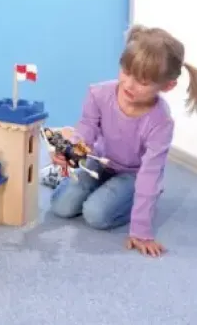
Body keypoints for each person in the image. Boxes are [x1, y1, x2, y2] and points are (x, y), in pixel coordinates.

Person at [49, 25, 197, 257]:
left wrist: (141, 231)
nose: (129, 84)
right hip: (100, 160)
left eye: (143, 82)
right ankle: (62, 177)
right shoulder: (98, 94)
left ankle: (139, 197)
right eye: (126, 72)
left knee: (95, 214)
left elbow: (149, 174)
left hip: (133, 174)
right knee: (61, 206)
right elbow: (86, 132)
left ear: (167, 86)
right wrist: (72, 153)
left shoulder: (161, 122)